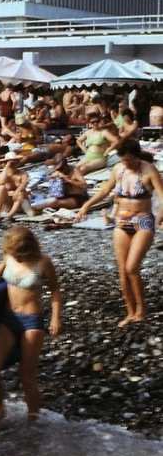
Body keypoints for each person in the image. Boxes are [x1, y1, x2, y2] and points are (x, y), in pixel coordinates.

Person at [0, 226, 62, 426]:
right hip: (8, 319)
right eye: (14, 253)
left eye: (20, 253)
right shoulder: (8, 257)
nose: (17, 257)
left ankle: (33, 418)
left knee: (27, 375)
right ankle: (0, 410)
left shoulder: (43, 262)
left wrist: (55, 318)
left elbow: (55, 291)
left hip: (31, 321)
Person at [75, 140, 163, 327]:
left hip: (143, 220)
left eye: (130, 160)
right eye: (124, 160)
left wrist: (160, 217)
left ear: (137, 156)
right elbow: (105, 190)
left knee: (132, 268)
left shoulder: (149, 170)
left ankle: (141, 309)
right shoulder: (118, 169)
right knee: (122, 271)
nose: (127, 163)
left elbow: (162, 196)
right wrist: (86, 205)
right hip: (121, 221)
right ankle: (130, 312)